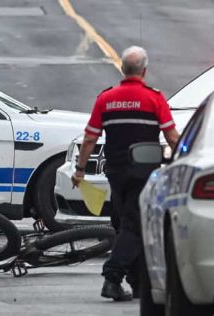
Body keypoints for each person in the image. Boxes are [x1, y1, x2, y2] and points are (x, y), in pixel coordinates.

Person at [72, 46, 179, 301]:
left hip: (116, 173)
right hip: (144, 174)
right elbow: (172, 136)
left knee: (126, 224)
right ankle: (112, 276)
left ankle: (138, 283)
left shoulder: (106, 98)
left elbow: (89, 139)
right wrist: (187, 160)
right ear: (144, 70)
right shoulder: (154, 98)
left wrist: (80, 170)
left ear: (122, 68)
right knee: (134, 226)